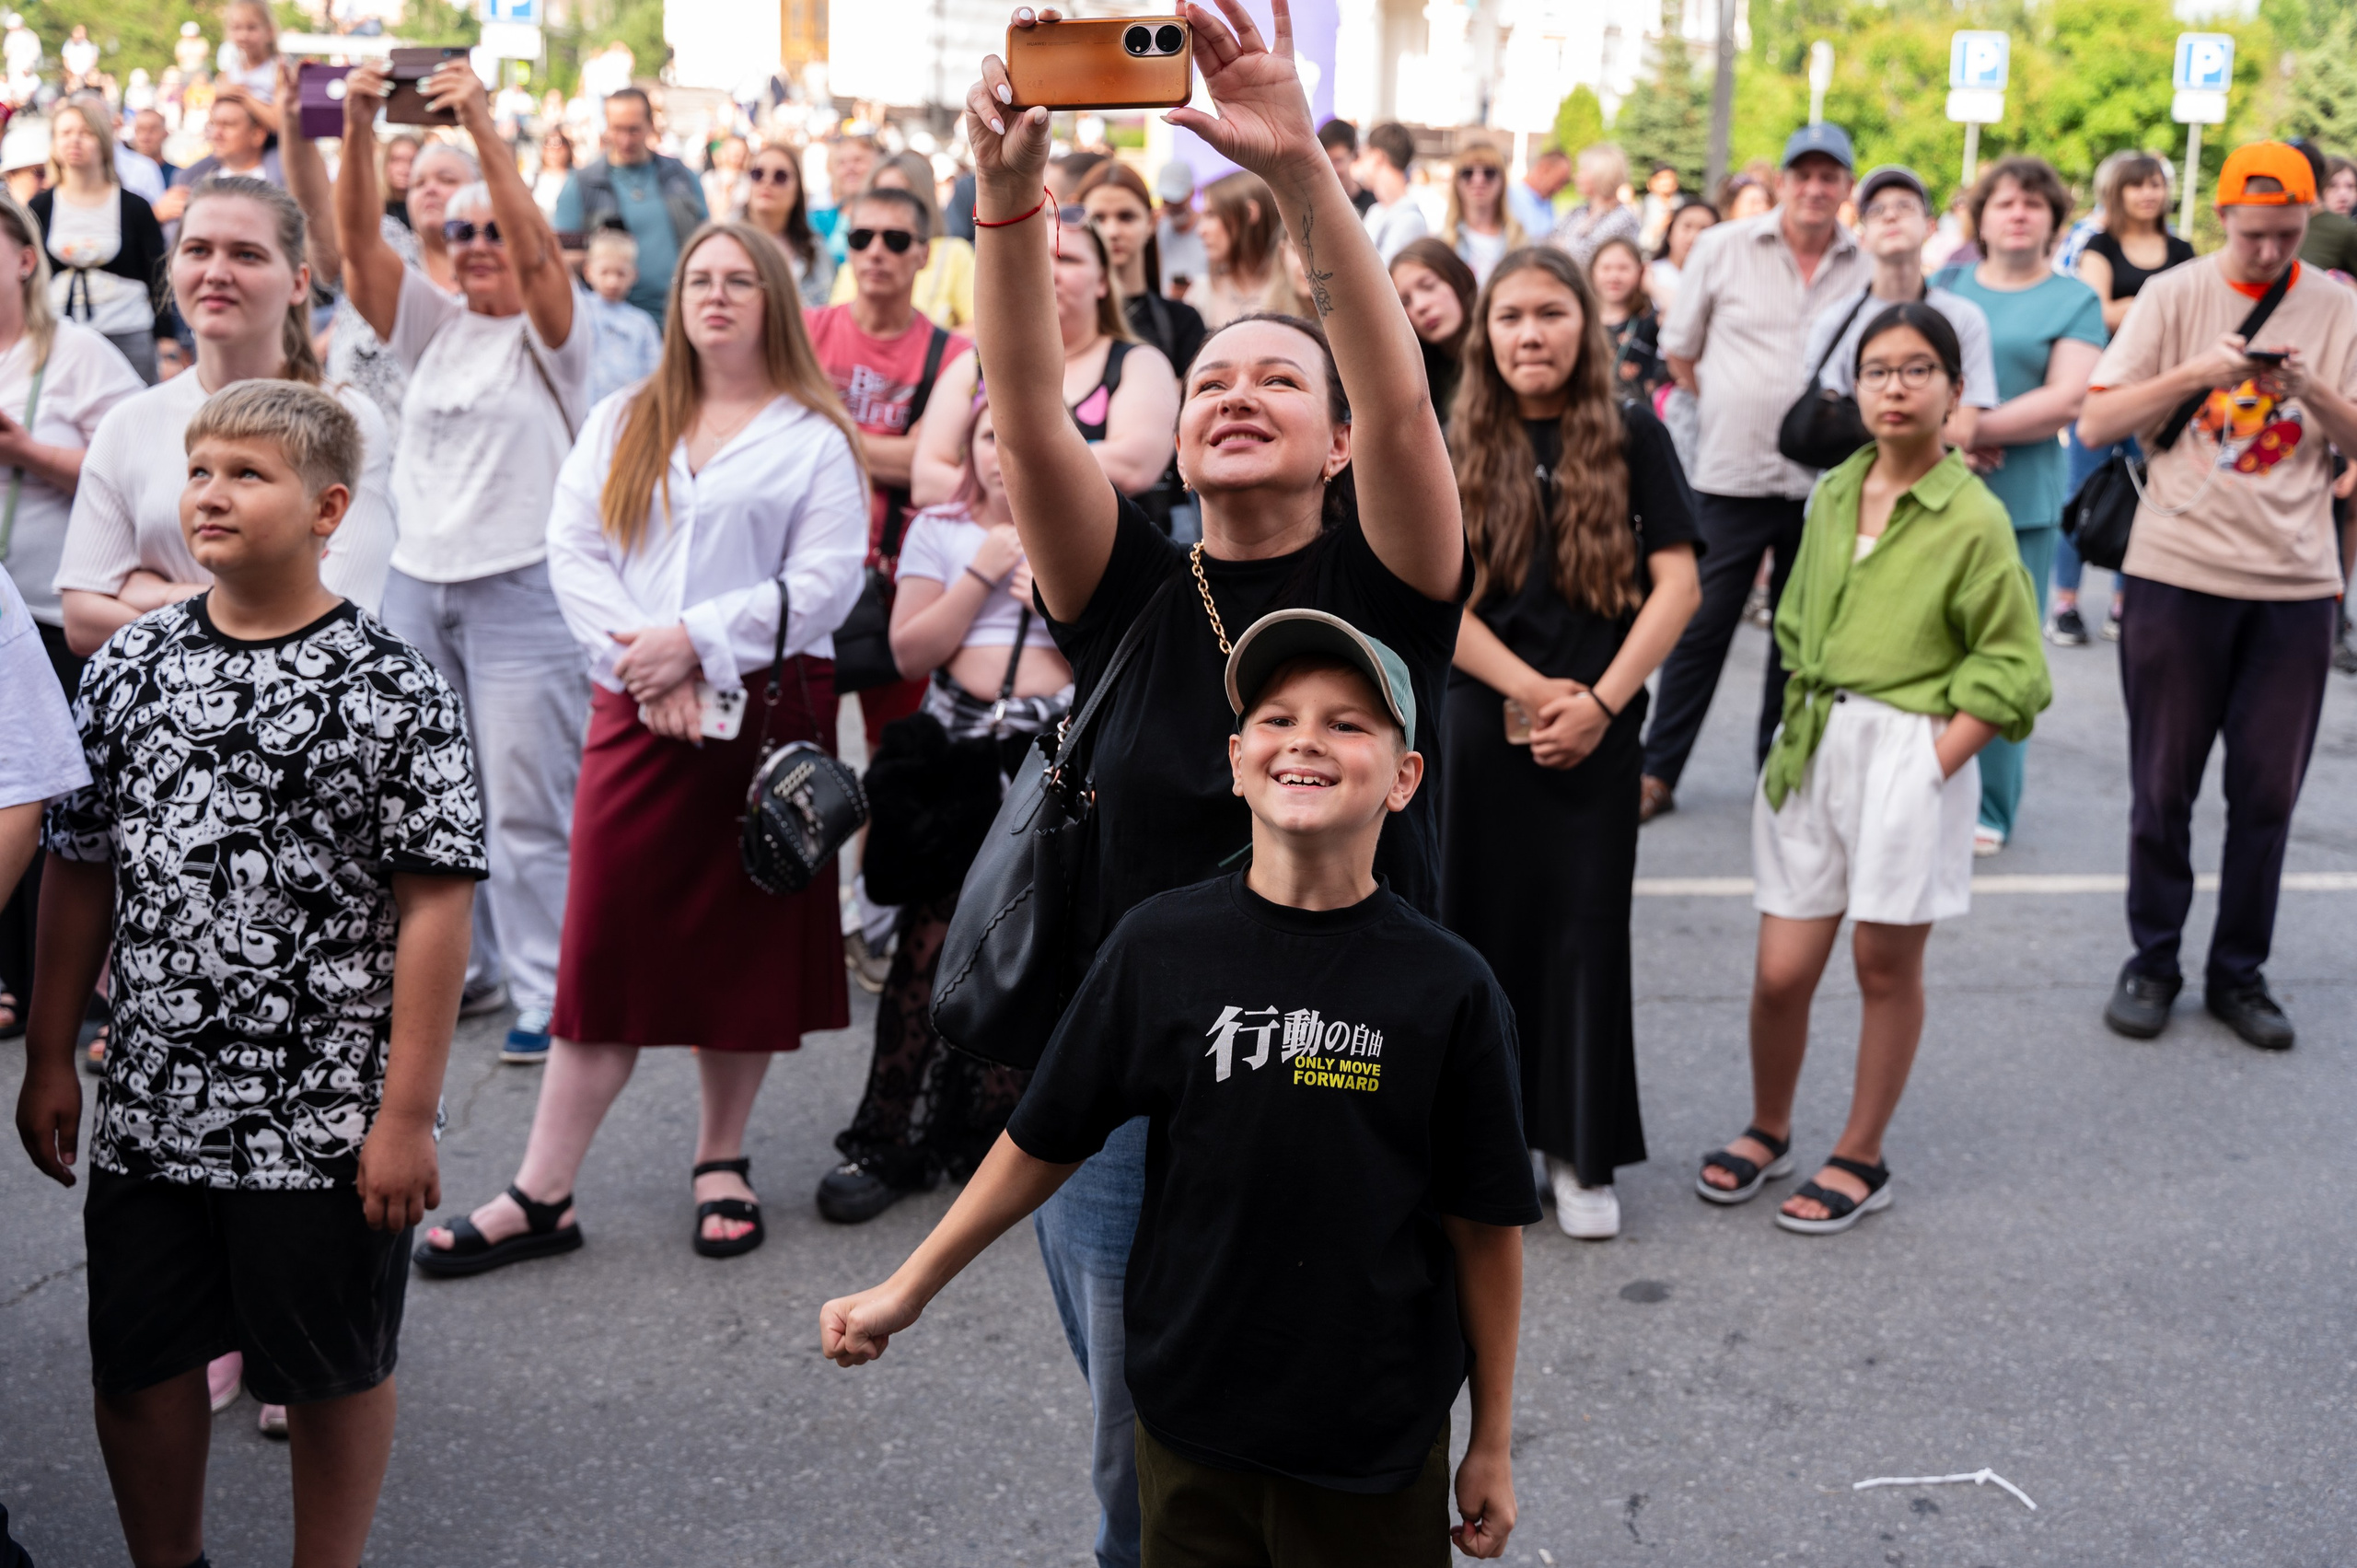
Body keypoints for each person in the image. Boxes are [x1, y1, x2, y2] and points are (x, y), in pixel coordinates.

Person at [956, 0, 1475, 1555]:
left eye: (1280, 381)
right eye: (1212, 379)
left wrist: (1304, 167)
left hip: (1357, 1069)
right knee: (1145, 1462)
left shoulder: (1386, 584)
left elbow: (1401, 400)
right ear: (1171, 435)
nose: (1238, 390)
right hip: (1123, 1100)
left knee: (1347, 1434)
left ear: (1331, 447)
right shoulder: (1122, 584)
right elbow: (1030, 409)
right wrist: (1004, 194)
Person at [824, 607, 1535, 1565]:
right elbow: (1044, 1137)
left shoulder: (1448, 988)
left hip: (1371, 1443)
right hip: (1187, 1424)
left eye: (1347, 722)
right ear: (1238, 759)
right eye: (1278, 719)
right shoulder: (1158, 945)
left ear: (1404, 776)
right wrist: (906, 1287)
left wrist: (1489, 1437)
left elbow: (1484, 1227)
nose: (1306, 741)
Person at [15, 377, 483, 1568]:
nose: (210, 493)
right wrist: (54, 1053)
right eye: (200, 468)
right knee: (139, 1359)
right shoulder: (130, 669)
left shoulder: (391, 684)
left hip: (324, 1117)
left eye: (247, 472)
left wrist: (407, 1116)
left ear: (328, 507)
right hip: (155, 1105)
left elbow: (436, 905)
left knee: (331, 1365)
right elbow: (79, 867)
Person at [418, 222, 867, 1275]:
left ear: (773, 299)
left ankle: (722, 1159)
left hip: (763, 714)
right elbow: (571, 547)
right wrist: (642, 663)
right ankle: (543, 1189)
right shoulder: (625, 415)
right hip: (637, 702)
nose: (715, 295)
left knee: (745, 943)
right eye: (699, 278)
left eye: (738, 280)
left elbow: (831, 578)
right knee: (602, 940)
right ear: (678, 300)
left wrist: (696, 646)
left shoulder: (815, 434)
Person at [1696, 302, 2045, 1234]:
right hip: (1814, 735)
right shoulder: (1834, 489)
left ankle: (1860, 1149)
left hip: (1909, 743)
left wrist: (1932, 762)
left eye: (1916, 368)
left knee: (1881, 961)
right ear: (1852, 388)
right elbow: (1799, 618)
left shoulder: (1973, 513)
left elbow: (2013, 665)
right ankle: (1769, 1125)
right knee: (1780, 969)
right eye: (1877, 369)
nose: (1895, 386)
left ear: (1954, 389)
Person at [1441, 246, 1702, 1240]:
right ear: (1485, 334)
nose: (1529, 334)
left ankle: (1578, 1149)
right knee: (1477, 935)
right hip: (1481, 723)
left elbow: (1678, 582)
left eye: (1550, 313)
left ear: (1585, 327)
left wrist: (1597, 701)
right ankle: (1488, 1141)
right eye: (1509, 317)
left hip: (1598, 728)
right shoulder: (1456, 435)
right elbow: (1432, 599)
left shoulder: (1633, 431)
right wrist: (1524, 687)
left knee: (1585, 936)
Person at [337, 57, 592, 1063]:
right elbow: (358, 245)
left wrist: (485, 127)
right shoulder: (433, 325)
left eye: (494, 229)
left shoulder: (551, 334)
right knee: (422, 799)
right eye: (462, 231)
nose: (479, 244)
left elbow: (536, 259)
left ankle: (548, 992)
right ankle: (467, 974)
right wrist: (357, 122)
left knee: (527, 806)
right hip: (418, 582)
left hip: (520, 586)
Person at [2075, 141, 2357, 1052]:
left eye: (2288, 235)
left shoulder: (2337, 306)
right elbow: (2097, 418)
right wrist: (2200, 372)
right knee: (2163, 784)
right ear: (2223, 216)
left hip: (2295, 582)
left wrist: (2311, 390)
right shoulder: (2174, 293)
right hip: (2175, 570)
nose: (2271, 254)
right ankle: (2152, 960)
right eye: (2253, 235)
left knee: (2267, 792)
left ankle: (2240, 970)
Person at [818, 388, 1074, 1222]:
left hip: (1047, 752)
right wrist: (981, 573)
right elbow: (909, 648)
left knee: (1033, 942)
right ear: (968, 452)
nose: (1003, 451)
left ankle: (996, 1137)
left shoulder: (1083, 528)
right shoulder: (941, 529)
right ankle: (889, 1133)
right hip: (956, 752)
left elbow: (1108, 656)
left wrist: (1050, 600)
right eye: (988, 436)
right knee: (930, 942)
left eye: (1016, 433)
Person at [57, 177, 398, 656]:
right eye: (197, 250)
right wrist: (249, 608)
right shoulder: (129, 422)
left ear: (299, 282)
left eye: (246, 255)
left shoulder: (346, 421)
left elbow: (340, 621)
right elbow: (82, 622)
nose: (217, 272)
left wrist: (154, 592)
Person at [1640, 124, 1867, 822]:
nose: (1816, 188)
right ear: (1783, 183)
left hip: (1825, 483)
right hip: (1730, 475)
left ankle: (1778, 769)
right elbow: (1681, 353)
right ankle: (1657, 771)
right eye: (1804, 174)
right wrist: (1734, 402)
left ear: (1846, 188)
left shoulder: (1866, 264)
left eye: (1831, 176)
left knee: (1799, 639)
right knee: (1699, 630)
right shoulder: (1722, 247)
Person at [0, 187, 144, 1048]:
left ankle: (88, 984)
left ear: (25, 256)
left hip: (57, 609)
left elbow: (135, 467)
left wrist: (25, 451)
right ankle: (11, 978)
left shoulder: (79, 354)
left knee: (65, 805)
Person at [1931, 157, 2104, 856]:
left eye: (2035, 204)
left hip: (2020, 502)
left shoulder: (2073, 299)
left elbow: (2069, 397)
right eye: (2005, 202)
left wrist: (1970, 427)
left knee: (2003, 656)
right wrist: (1948, 436)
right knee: (1931, 648)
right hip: (1935, 494)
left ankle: (1993, 806)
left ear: (2055, 220)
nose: (2019, 214)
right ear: (1982, 214)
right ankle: (1924, 785)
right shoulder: (1944, 284)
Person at [805, 181, 978, 753]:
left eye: (896, 238)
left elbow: (932, 468)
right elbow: (785, 450)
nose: (876, 251)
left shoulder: (949, 353)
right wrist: (896, 453)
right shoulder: (807, 334)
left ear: (924, 253)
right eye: (862, 237)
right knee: (802, 765)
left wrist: (826, 436)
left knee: (892, 764)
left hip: (898, 584)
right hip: (809, 569)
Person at [910, 213, 1181, 523]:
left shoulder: (1140, 363)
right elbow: (926, 480)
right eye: (1035, 259)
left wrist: (991, 480)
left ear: (1103, 281)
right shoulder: (974, 364)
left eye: (1067, 259)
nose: (1049, 272)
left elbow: (1132, 469)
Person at [2056, 152, 2192, 646]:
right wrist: (2157, 304)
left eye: (2155, 183)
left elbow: (2192, 318)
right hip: (2102, 392)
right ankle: (2066, 603)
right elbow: (2098, 312)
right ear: (2119, 191)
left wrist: (2135, 308)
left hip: (2160, 396)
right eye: (2137, 185)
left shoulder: (2181, 248)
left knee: (2148, 500)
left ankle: (2123, 603)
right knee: (2082, 496)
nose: (2148, 193)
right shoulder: (2099, 245)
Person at [1798, 164, 1999, 457]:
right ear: (1862, 238)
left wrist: (1865, 426)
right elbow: (1824, 427)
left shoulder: (1963, 318)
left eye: (1905, 207)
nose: (1891, 216)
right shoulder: (1835, 320)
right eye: (1877, 211)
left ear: (1930, 227)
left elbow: (1961, 430)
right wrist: (1931, 432)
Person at [31, 99, 166, 384]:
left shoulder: (134, 207)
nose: (74, 141)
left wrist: (167, 341)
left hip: (127, 331)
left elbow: (159, 275)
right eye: (65, 133)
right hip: (59, 335)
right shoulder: (40, 207)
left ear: (103, 141)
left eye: (85, 132)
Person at [553, 87, 710, 324]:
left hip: (681, 315)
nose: (625, 140)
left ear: (650, 125)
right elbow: (562, 260)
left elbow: (706, 236)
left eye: (634, 130)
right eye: (617, 129)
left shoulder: (681, 176)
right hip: (612, 322)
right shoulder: (583, 184)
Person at [1076, 159, 1206, 375]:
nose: (1112, 231)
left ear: (1152, 222)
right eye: (1098, 218)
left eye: (1126, 217)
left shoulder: (1182, 322)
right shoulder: (1063, 318)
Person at [826, 151, 977, 330]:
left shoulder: (953, 254)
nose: (875, 252)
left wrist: (926, 349)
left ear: (924, 254)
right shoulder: (863, 251)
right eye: (881, 195)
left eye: (900, 195)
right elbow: (836, 324)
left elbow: (978, 326)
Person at [156, 95, 283, 232]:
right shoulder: (187, 182)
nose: (216, 134)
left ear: (258, 134)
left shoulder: (285, 182)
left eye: (227, 125)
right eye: (213, 124)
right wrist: (155, 216)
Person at [1388, 235, 1476, 424]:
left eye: (1428, 286)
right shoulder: (1418, 378)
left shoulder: (1500, 354)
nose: (1420, 306)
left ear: (1462, 278)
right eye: (1406, 301)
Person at [739, 139, 833, 308]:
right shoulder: (724, 242)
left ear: (797, 189)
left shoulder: (815, 250)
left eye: (780, 176)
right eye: (757, 174)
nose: (767, 182)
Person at [581, 226, 663, 404]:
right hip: (584, 412)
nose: (612, 281)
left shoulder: (642, 323)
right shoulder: (580, 310)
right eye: (605, 272)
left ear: (634, 275)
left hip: (627, 412)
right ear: (588, 272)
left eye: (620, 273)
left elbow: (654, 373)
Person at [1190, 169, 1279, 331]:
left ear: (1249, 213)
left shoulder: (1294, 290)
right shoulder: (1201, 293)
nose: (1200, 230)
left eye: (1211, 215)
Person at [1588, 234, 1669, 402]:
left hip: (1636, 418)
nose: (1614, 276)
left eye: (1623, 268)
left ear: (1640, 271)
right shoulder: (1583, 320)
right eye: (1606, 268)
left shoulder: (1648, 320)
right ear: (1592, 272)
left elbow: (1682, 318)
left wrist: (1652, 286)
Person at [1550, 144, 1640, 268]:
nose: (1576, 177)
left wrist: (1562, 245)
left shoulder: (1623, 217)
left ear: (1602, 174)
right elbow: (1550, 241)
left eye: (1583, 171)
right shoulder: (1579, 211)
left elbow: (1590, 254)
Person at [1446, 139, 1522, 283]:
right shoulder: (1445, 242)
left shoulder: (1519, 240)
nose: (1478, 180)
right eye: (1468, 173)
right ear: (1457, 182)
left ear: (1502, 181)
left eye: (1489, 172)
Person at [1355, 121, 1426, 262]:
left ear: (1377, 157)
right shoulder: (1376, 210)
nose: (1359, 164)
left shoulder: (1410, 220)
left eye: (1363, 156)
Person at [1153, 159, 1206, 296]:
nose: (1171, 206)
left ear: (1192, 192)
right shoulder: (1156, 228)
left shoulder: (1209, 230)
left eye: (1177, 199)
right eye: (1166, 200)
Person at [1511, 145, 1571, 241]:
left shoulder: (1548, 203)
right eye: (1560, 182)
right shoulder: (1510, 197)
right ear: (1544, 169)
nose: (1560, 190)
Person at [1318, 116, 1375, 216]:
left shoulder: (1372, 207)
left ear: (1353, 155)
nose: (1332, 170)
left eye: (1337, 161)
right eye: (1326, 162)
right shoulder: (1315, 207)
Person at [702, 132, 749, 218]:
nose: (739, 154)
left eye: (742, 151)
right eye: (734, 150)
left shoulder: (749, 182)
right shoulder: (709, 178)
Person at [379, 132, 420, 232]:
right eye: (396, 160)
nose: (404, 169)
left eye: (412, 161)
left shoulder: (426, 207)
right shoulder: (375, 207)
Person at [532, 126, 575, 219]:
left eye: (558, 143)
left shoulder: (576, 179)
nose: (553, 150)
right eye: (547, 143)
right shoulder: (531, 179)